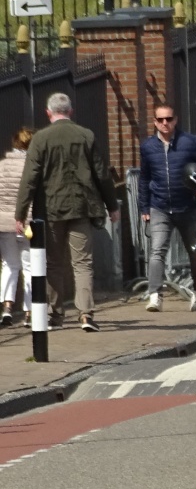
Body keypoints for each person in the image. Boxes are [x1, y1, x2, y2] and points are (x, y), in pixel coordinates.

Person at [13, 92, 119, 332]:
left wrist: (20, 213)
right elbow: (102, 174)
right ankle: (86, 314)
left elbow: (29, 179)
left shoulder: (40, 139)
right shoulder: (86, 135)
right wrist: (112, 205)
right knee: (83, 263)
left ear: (48, 113)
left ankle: (55, 313)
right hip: (81, 208)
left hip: (50, 210)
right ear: (70, 112)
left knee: (53, 263)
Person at [138, 104, 196, 313]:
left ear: (175, 119)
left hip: (188, 206)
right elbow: (144, 178)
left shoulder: (190, 143)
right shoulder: (147, 147)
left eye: (169, 119)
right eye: (160, 120)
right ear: (154, 122)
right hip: (160, 206)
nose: (165, 123)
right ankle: (155, 295)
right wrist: (144, 206)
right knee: (157, 251)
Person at [0, 128, 34, 326]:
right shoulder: (33, 166)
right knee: (29, 267)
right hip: (28, 223)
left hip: (5, 224)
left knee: (9, 265)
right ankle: (30, 313)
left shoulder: (2, 166)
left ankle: (7, 309)